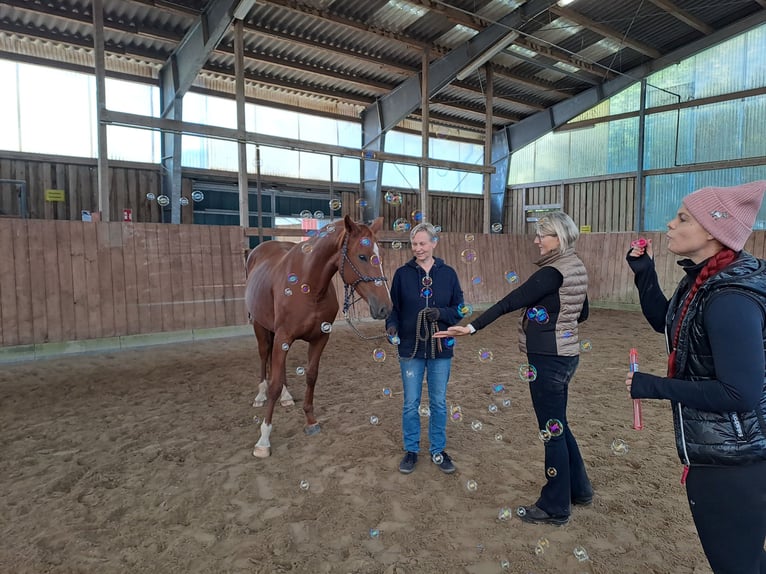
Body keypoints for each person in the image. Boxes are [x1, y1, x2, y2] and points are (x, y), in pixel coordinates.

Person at [625, 181, 766, 574]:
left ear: (713, 231)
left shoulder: (729, 297)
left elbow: (739, 393)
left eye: (683, 217)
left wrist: (651, 386)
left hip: (735, 460)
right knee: (747, 560)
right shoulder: (704, 280)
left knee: (736, 565)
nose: (670, 224)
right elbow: (666, 321)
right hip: (723, 450)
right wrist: (644, 273)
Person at [436, 211, 592, 526]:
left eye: (541, 235)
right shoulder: (576, 266)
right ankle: (580, 489)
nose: (536, 240)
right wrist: (550, 314)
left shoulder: (551, 273)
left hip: (548, 359)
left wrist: (471, 328)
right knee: (558, 425)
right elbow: (582, 313)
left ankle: (555, 506)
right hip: (566, 355)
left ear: (557, 238)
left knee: (552, 431)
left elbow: (510, 301)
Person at [386, 222, 465, 475]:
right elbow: (394, 309)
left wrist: (440, 312)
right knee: (411, 402)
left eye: (422, 243)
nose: (418, 248)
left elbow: (459, 309)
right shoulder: (402, 274)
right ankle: (411, 450)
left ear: (434, 243)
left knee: (439, 402)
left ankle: (438, 450)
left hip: (441, 347)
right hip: (410, 349)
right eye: (414, 244)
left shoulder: (449, 274)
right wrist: (391, 326)